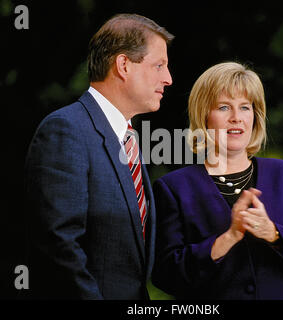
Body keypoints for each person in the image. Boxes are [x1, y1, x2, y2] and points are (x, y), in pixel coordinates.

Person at [151, 62, 283, 299]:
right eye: (224, 107)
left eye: (245, 107)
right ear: (204, 115)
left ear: (255, 117)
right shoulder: (173, 187)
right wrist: (228, 238)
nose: (237, 118)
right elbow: (165, 276)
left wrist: (273, 233)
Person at [24, 13, 173, 299]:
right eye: (159, 66)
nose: (168, 78)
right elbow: (60, 246)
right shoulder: (66, 130)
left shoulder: (128, 139)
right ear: (123, 65)